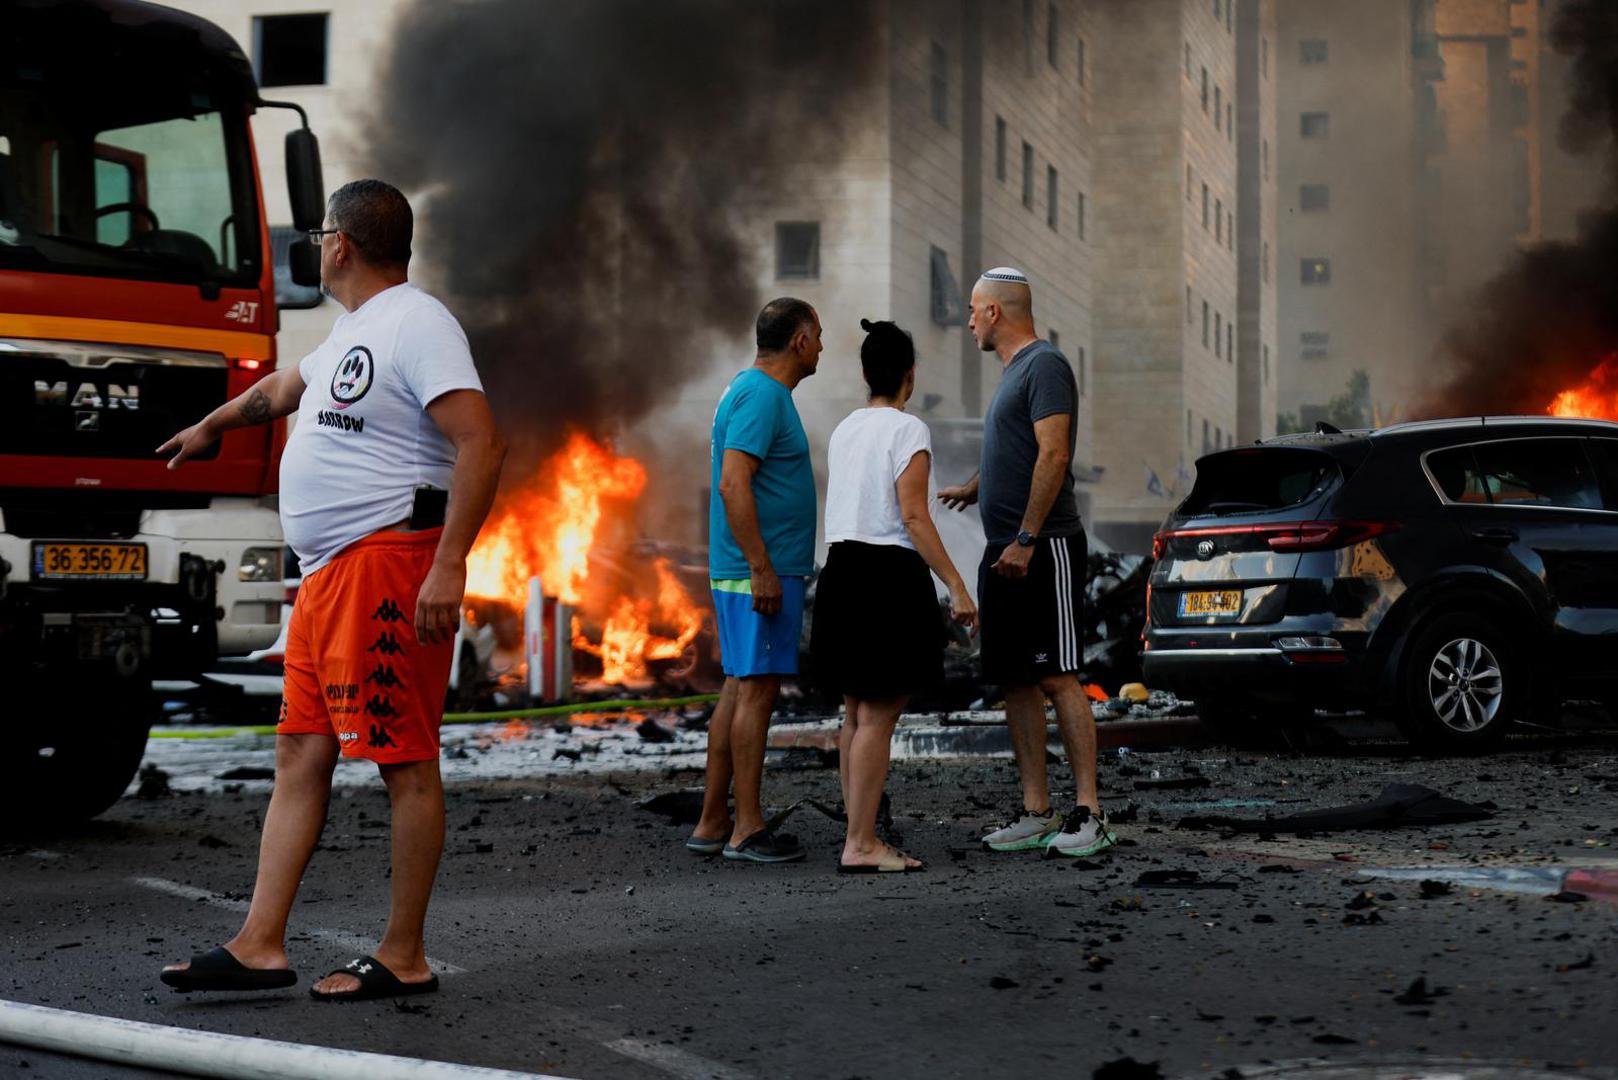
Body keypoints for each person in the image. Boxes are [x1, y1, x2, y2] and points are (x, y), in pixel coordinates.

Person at [158, 179, 506, 999]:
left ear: (340, 244)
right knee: (299, 751)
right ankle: (259, 944)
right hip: (326, 578)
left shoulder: (420, 323)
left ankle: (402, 955)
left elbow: (482, 443)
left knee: (403, 761)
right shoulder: (357, 328)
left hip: (387, 566)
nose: (315, 247)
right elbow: (285, 389)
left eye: (319, 235)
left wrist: (449, 565)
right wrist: (214, 422)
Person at [938, 267, 1115, 859]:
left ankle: (1089, 812)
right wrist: (977, 484)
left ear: (994, 313)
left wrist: (1027, 536)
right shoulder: (1015, 373)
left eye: (972, 310)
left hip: (1045, 546)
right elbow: (1019, 451)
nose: (966, 321)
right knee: (1015, 679)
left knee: (1059, 674)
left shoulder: (1045, 365)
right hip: (1007, 548)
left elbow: (1055, 452)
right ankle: (1036, 812)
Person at [811, 318, 976, 873]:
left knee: (855, 714)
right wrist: (957, 585)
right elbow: (912, 515)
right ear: (909, 375)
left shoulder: (844, 429)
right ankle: (859, 842)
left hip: (840, 570)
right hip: (886, 577)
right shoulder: (909, 431)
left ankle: (862, 831)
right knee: (877, 717)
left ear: (865, 373)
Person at [689, 298, 821, 863]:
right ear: (799, 340)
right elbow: (732, 485)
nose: (822, 346)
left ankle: (714, 820)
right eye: (818, 335)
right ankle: (747, 826)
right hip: (757, 574)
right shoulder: (763, 395)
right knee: (757, 691)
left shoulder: (752, 391)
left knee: (740, 687)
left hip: (750, 569)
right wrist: (763, 567)